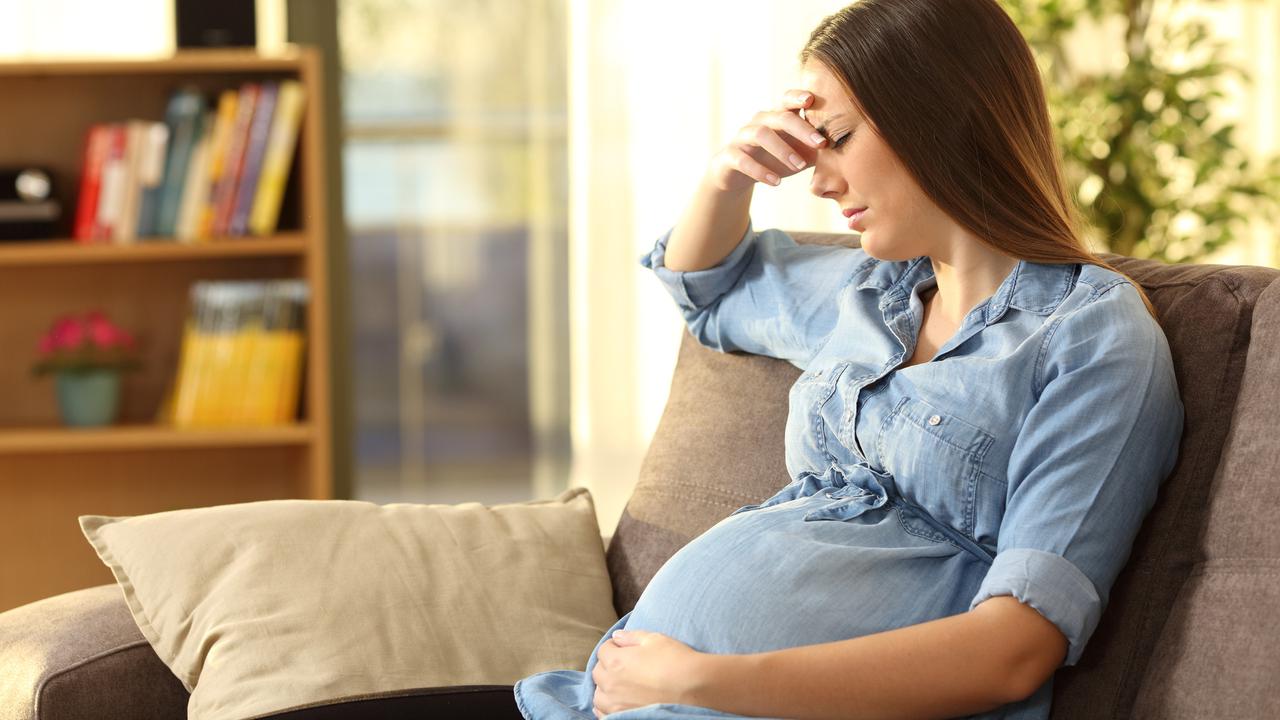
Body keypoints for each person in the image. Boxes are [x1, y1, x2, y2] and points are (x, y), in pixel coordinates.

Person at [514, 0, 1184, 717]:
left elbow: (1015, 649)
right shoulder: (871, 291)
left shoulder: (1093, 337)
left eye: (834, 139)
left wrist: (700, 680)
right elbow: (707, 290)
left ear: (936, 114)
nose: (820, 180)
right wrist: (727, 176)